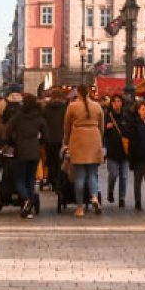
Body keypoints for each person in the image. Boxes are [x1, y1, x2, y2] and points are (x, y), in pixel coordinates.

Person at [63, 84, 104, 218]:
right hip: (94, 138)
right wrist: (99, 139)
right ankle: (94, 197)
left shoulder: (72, 106)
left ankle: (80, 207)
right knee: (92, 174)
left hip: (78, 139)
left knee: (79, 176)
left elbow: (67, 126)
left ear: (78, 93)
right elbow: (102, 125)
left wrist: (67, 141)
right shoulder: (97, 106)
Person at [6, 93, 49, 218]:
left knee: (19, 179)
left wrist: (11, 143)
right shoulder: (39, 117)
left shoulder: (17, 117)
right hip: (34, 152)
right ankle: (29, 210)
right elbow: (46, 135)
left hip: (21, 150)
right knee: (30, 180)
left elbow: (7, 132)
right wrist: (38, 142)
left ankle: (26, 200)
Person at [104, 93, 130, 208]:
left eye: (118, 101)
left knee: (124, 176)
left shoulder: (126, 116)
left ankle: (122, 198)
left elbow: (130, 131)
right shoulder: (107, 116)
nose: (116, 104)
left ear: (122, 103)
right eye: (114, 101)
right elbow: (102, 133)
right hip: (112, 151)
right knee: (113, 174)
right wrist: (106, 128)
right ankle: (110, 191)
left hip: (124, 151)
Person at [42, 88, 66, 191]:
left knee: (51, 160)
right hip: (61, 138)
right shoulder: (65, 107)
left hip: (49, 138)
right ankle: (59, 180)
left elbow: (43, 123)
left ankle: (51, 179)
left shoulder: (46, 108)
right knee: (60, 160)